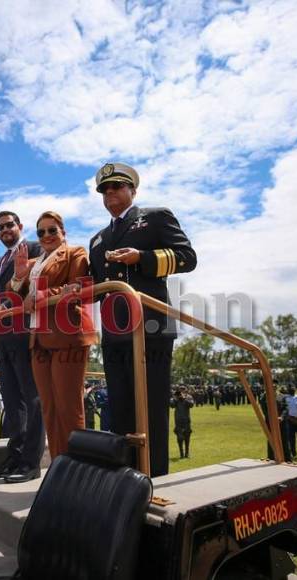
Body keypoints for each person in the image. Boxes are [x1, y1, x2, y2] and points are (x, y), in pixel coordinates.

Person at [88, 163, 197, 477]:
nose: (111, 194)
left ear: (132, 190)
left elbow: (188, 257)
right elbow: (96, 286)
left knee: (150, 413)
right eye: (105, 190)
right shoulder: (97, 239)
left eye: (117, 187)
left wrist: (142, 258)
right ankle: (126, 480)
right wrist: (76, 288)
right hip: (114, 334)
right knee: (120, 413)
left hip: (150, 330)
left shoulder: (155, 217)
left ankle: (155, 481)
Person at [10, 210, 97, 466]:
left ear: (63, 232)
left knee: (68, 408)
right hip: (38, 339)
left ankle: (77, 470)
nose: (46, 235)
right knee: (49, 409)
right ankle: (59, 467)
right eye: (41, 232)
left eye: (52, 230)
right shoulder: (35, 263)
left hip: (68, 334)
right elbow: (13, 292)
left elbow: (79, 285)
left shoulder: (75, 252)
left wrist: (42, 295)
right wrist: (18, 275)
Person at [0, 211, 44, 480]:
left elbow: (35, 283)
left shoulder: (34, 248)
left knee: (32, 397)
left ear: (20, 226)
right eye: (0, 227)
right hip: (2, 335)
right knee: (11, 399)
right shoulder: (1, 261)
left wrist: (6, 304)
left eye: (9, 225)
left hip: (23, 329)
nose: (4, 230)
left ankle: (30, 463)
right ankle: (14, 458)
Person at [170, 387, 194, 459]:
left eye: (183, 390)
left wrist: (184, 398)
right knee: (179, 437)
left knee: (187, 436)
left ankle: (187, 453)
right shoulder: (175, 398)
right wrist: (175, 398)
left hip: (186, 420)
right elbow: (171, 405)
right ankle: (181, 454)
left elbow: (191, 405)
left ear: (185, 391)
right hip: (178, 420)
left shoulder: (189, 397)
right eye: (180, 391)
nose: (181, 392)